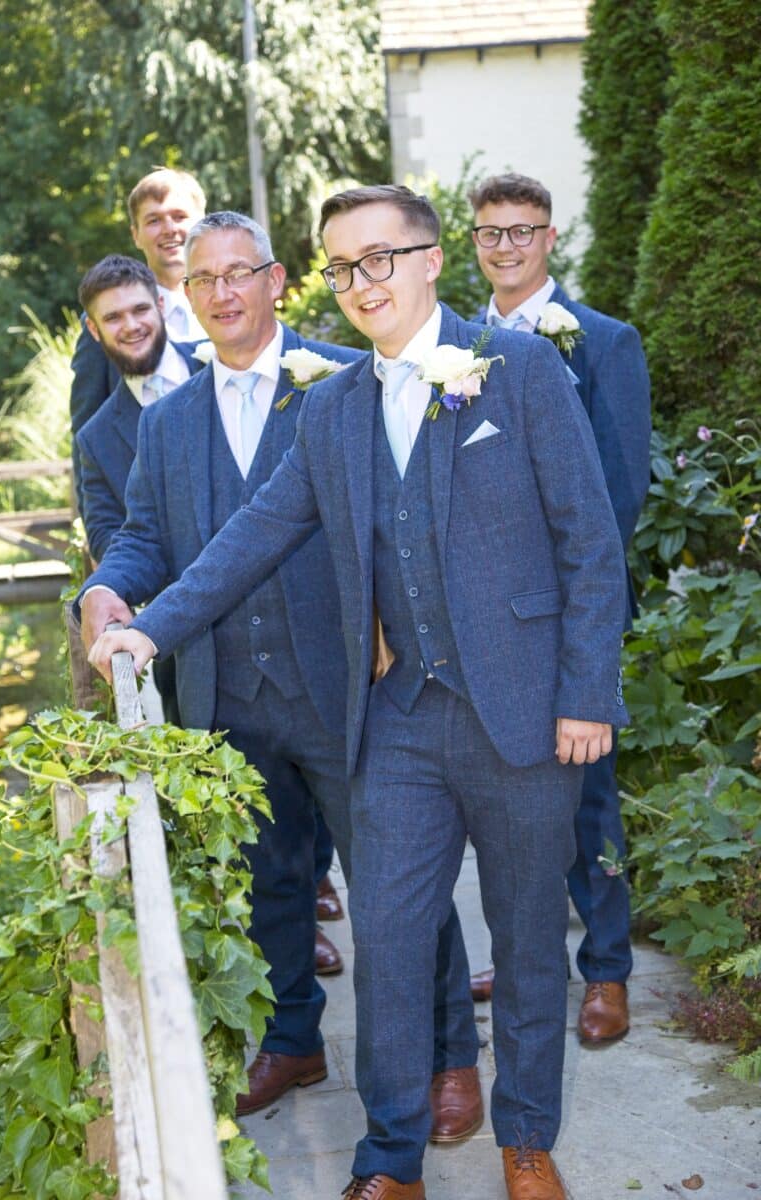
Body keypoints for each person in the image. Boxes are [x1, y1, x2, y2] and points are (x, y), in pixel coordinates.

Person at [88, 185, 628, 1200]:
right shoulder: (330, 406)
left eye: (379, 257)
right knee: (387, 934)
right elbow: (252, 534)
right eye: (341, 266)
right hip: (399, 720)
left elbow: (589, 545)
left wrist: (584, 696)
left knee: (521, 942)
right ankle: (391, 1158)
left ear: (430, 259)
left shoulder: (514, 373)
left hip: (522, 713)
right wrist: (141, 628)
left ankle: (524, 1140)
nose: (359, 282)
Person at [79, 211, 363, 1113]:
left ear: (278, 282)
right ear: (187, 298)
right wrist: (102, 592)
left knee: (398, 879)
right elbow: (142, 539)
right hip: (229, 694)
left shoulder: (346, 384)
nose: (225, 293)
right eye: (205, 281)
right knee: (271, 882)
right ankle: (292, 1043)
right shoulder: (168, 425)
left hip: (349, 684)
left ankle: (442, 1055)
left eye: (242, 274)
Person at [467, 172, 651, 1046]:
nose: (505, 247)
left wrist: (578, 609)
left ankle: (607, 970)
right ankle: (525, 950)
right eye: (489, 234)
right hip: (485, 618)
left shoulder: (604, 343)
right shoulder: (452, 349)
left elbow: (617, 496)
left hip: (570, 610)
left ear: (550, 238)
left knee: (590, 795)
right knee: (508, 800)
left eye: (521, 232)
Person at [70, 168, 208, 507]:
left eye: (179, 216)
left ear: (202, 222)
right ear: (135, 234)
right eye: (154, 220)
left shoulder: (229, 306)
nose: (170, 229)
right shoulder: (105, 325)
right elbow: (87, 434)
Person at [75, 254, 204, 564]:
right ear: (94, 329)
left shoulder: (220, 368)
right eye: (113, 317)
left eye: (140, 309)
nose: (131, 326)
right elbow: (106, 540)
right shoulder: (96, 440)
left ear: (160, 305)